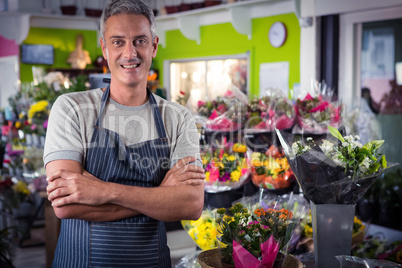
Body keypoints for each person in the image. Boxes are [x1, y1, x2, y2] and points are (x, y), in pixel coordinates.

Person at [44, 0, 205, 267]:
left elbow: (190, 204)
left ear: (153, 45)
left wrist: (102, 190)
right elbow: (65, 205)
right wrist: (159, 195)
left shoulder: (177, 117)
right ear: (104, 48)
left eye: (139, 41)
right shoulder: (72, 108)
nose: (130, 53)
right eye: (118, 42)